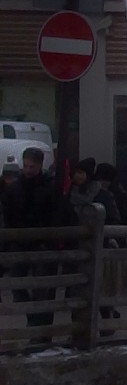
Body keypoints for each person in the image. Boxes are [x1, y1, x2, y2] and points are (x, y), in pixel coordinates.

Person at [3, 146, 73, 342]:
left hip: (42, 244)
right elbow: (7, 215)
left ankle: (41, 332)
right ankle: (35, 323)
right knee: (17, 284)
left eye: (31, 166)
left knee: (43, 289)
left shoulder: (49, 187)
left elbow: (59, 215)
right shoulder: (14, 188)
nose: (28, 170)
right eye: (26, 165)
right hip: (21, 244)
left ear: (40, 165)